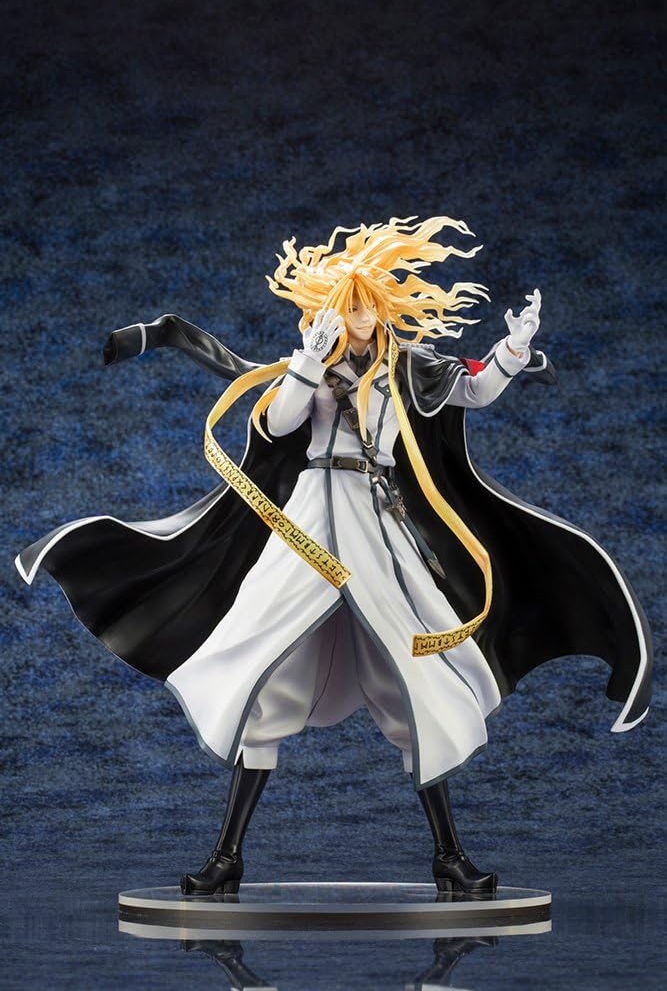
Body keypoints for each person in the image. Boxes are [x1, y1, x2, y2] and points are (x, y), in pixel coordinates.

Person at [16, 216, 652, 898]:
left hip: (378, 528)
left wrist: (512, 351)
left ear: (382, 307)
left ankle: (449, 856)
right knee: (261, 667)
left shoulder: (408, 366)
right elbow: (279, 423)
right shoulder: (311, 362)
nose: (358, 317)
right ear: (327, 308)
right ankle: (227, 857)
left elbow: (471, 390)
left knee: (418, 682)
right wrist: (306, 365)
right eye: (347, 306)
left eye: (366, 305)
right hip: (308, 527)